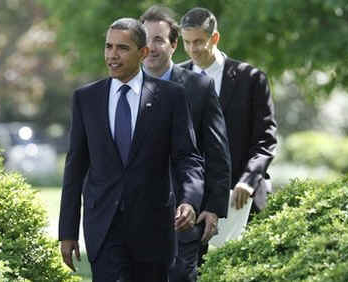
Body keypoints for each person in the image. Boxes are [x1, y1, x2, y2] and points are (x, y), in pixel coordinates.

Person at [58, 18, 205, 282]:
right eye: (109, 46)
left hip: (153, 230)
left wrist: (189, 200)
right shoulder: (86, 99)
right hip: (103, 228)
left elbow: (188, 157)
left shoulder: (171, 97)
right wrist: (67, 232)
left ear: (143, 53)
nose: (113, 55)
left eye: (122, 48)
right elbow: (75, 167)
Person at [179, 7, 278, 265]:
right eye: (187, 43)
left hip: (242, 198)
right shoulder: (174, 80)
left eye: (199, 41)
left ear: (215, 38)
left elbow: (266, 140)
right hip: (191, 203)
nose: (192, 49)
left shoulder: (251, 79)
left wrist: (248, 180)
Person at [140, 6, 231, 282]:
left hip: (185, 216)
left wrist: (213, 208)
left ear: (173, 44)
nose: (151, 47)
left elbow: (217, 153)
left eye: (158, 39)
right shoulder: (122, 90)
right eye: (144, 39)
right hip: (134, 217)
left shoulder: (199, 89)